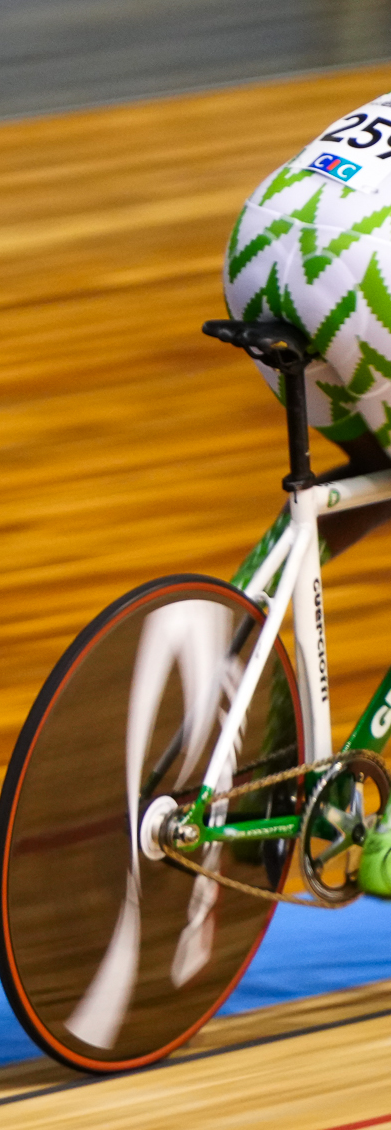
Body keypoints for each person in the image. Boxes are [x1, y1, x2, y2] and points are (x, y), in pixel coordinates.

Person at [223, 90, 391, 894]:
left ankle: (234, 615)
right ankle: (386, 835)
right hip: (368, 264)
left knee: (378, 469)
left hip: (266, 229)